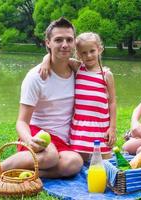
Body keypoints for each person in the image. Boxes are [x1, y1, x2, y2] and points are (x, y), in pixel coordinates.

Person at [0, 17, 83, 186]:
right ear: (48, 43)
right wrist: (29, 140)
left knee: (74, 163)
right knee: (50, 156)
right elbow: (22, 121)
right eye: (58, 40)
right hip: (38, 135)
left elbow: (101, 71)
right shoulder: (36, 76)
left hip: (64, 142)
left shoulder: (78, 71)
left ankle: (21, 172)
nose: (65, 44)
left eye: (69, 39)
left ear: (74, 43)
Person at [40, 32, 117, 161]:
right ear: (78, 54)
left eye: (92, 51)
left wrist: (112, 127)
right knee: (79, 161)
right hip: (81, 127)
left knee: (106, 163)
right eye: (83, 53)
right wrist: (45, 62)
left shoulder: (106, 75)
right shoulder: (78, 68)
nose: (89, 55)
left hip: (100, 126)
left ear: (100, 49)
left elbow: (113, 102)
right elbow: (56, 57)